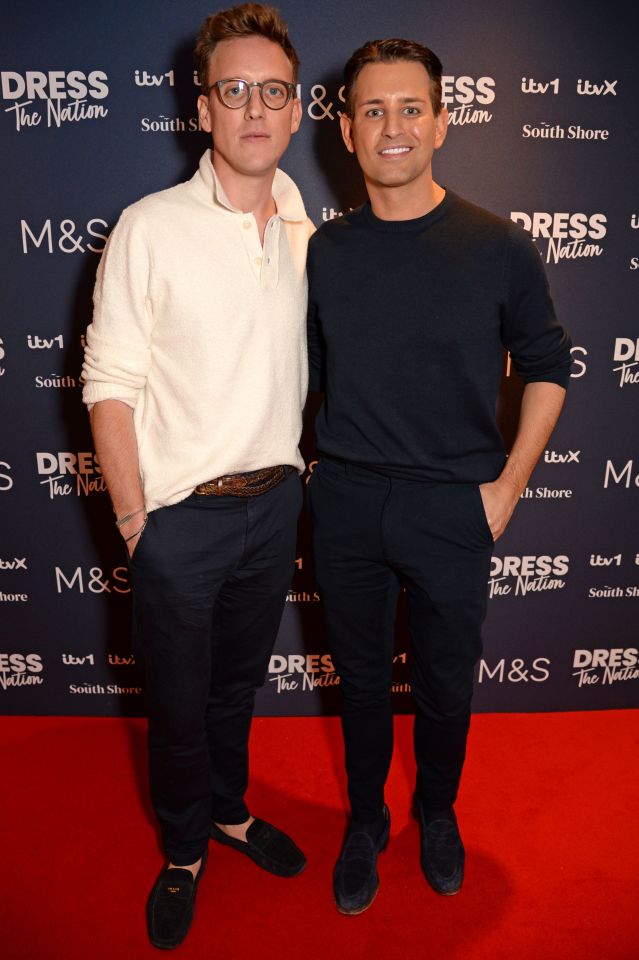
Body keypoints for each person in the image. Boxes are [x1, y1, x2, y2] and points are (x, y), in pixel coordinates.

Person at [306, 38, 572, 915]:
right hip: (344, 500)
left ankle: (437, 809)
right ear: (346, 131)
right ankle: (364, 821)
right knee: (356, 679)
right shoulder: (323, 254)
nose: (392, 126)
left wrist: (506, 488)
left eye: (409, 107)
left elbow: (547, 367)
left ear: (442, 122)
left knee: (447, 681)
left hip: (453, 506)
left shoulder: (496, 245)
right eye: (372, 110)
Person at [82, 3, 314, 949]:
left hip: (277, 506)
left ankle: (228, 810)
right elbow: (109, 387)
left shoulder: (311, 230)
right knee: (176, 707)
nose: (254, 108)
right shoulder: (150, 226)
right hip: (181, 520)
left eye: (272, 91)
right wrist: (139, 526)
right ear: (203, 109)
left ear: (296, 110)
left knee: (234, 692)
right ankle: (184, 851)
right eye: (234, 90)